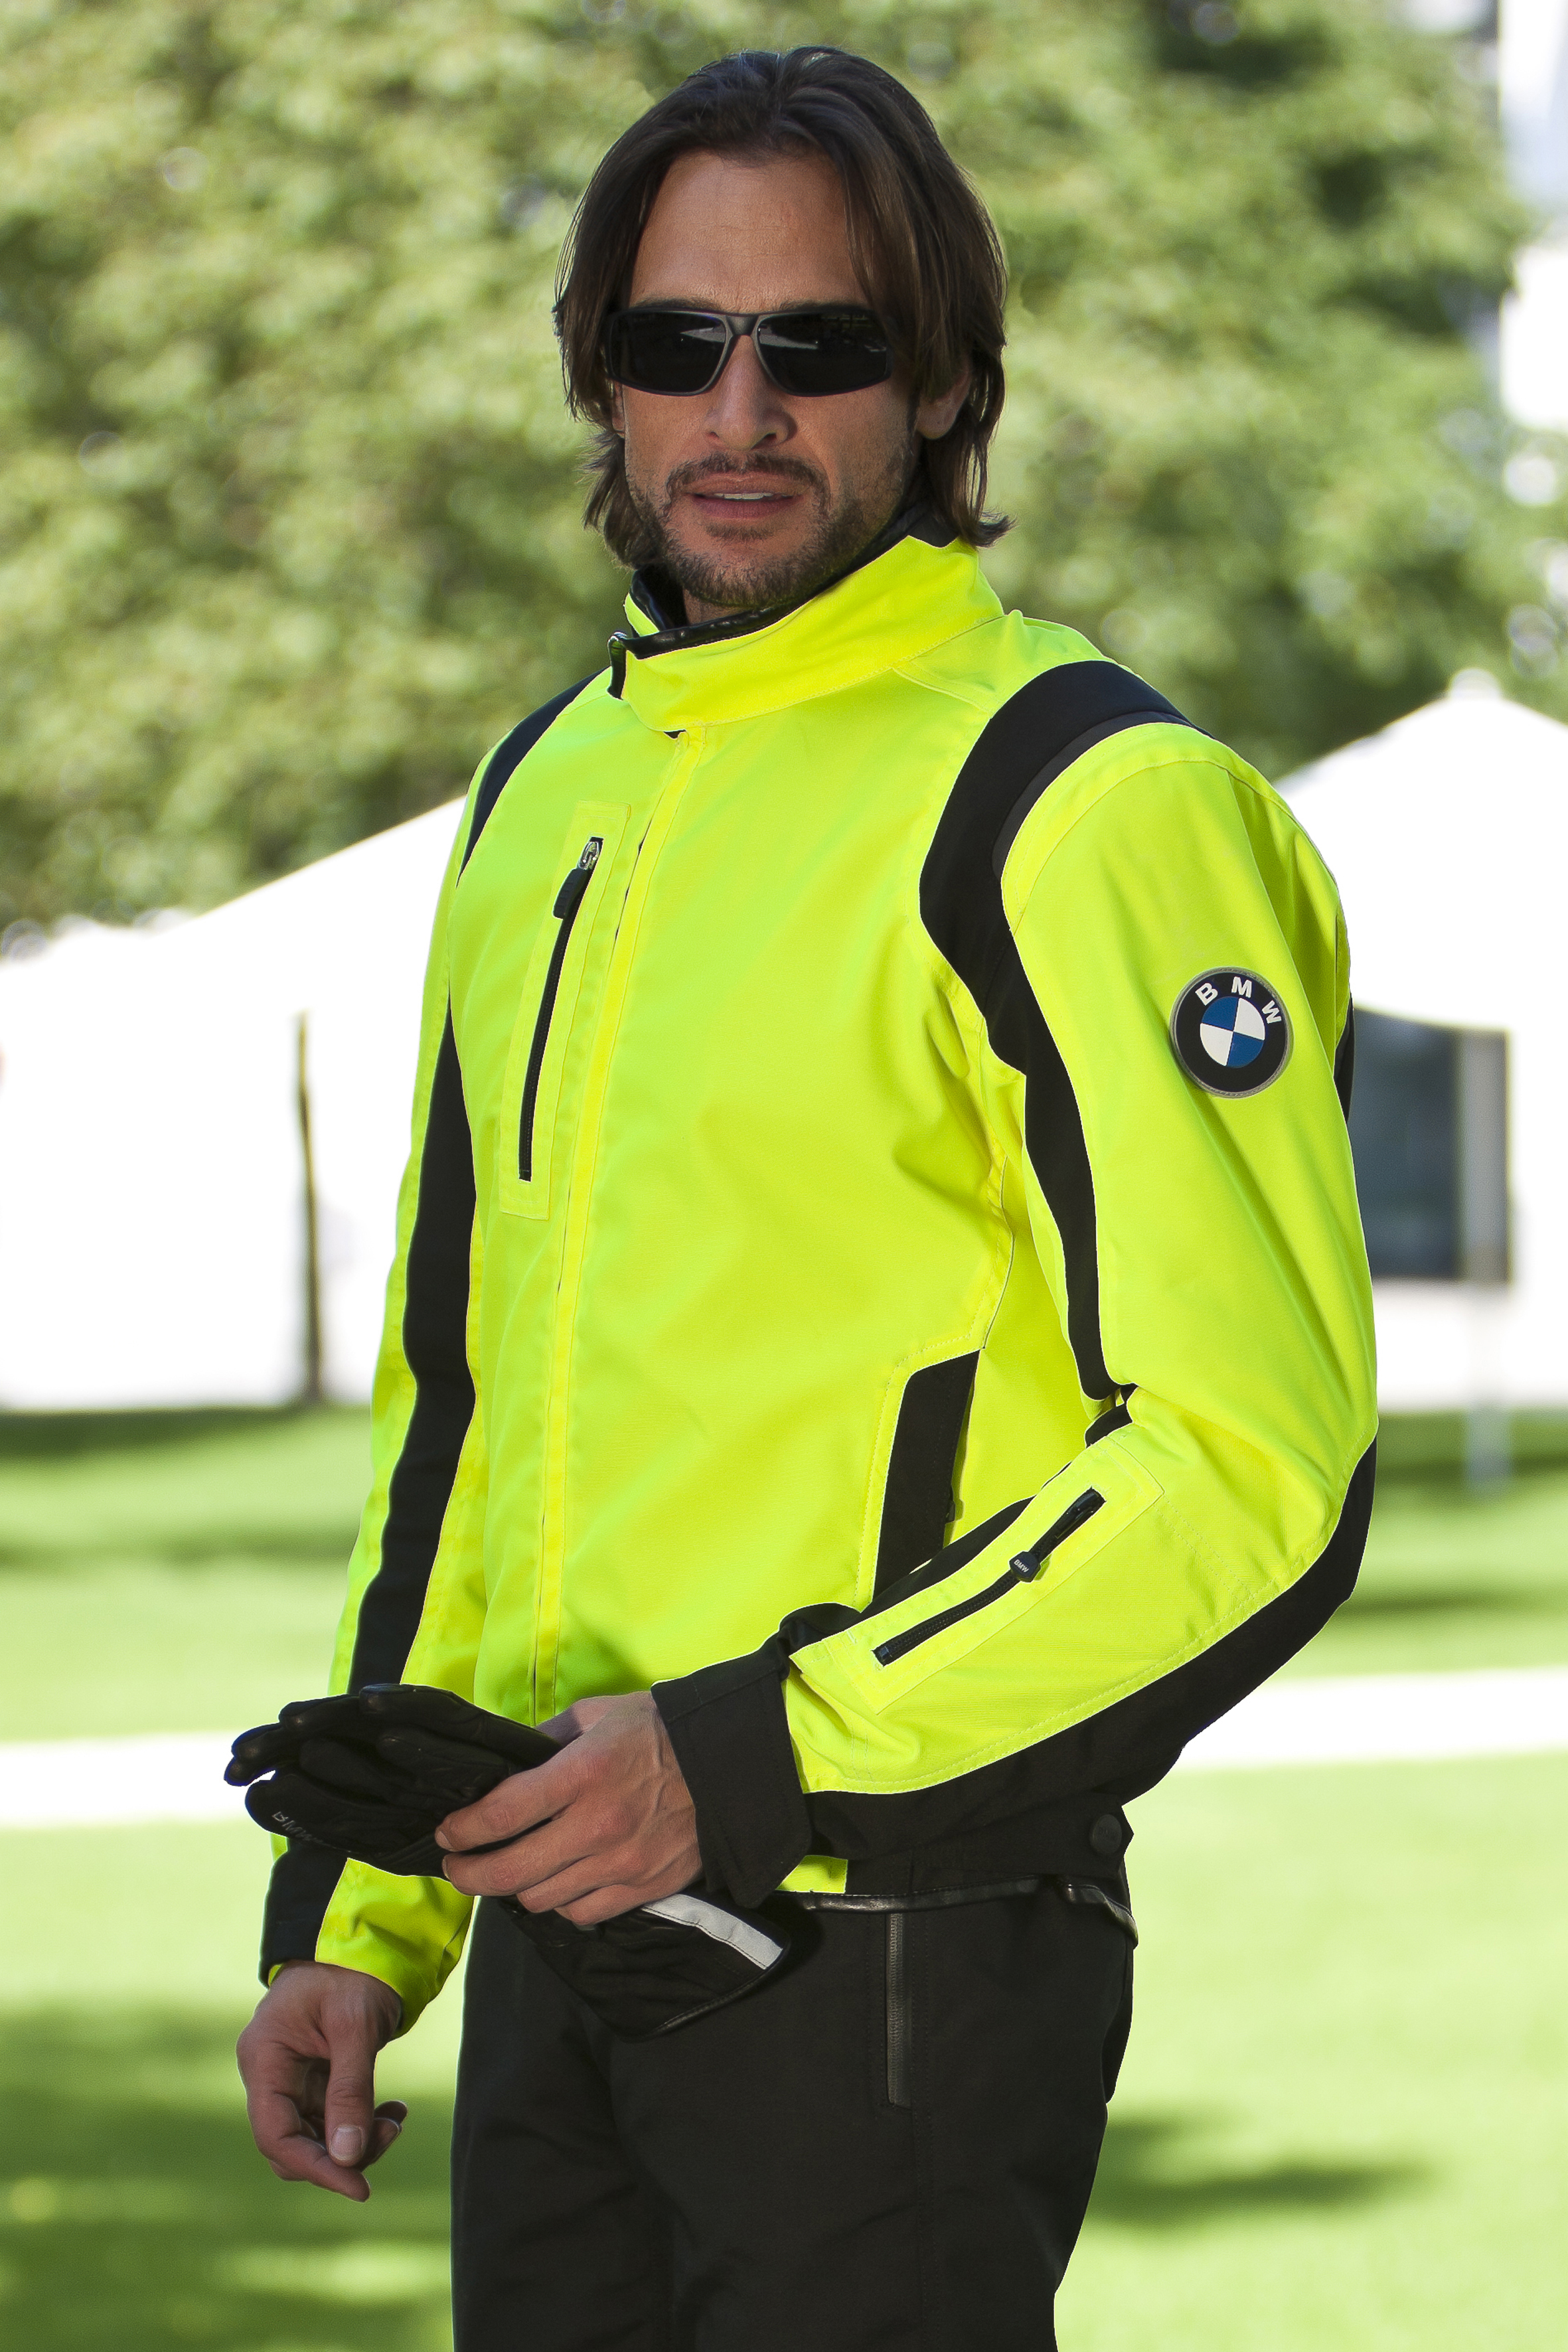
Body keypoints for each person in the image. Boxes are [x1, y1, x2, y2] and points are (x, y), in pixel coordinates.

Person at [237, 44, 1376, 2351]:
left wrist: (744, 1760)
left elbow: (1253, 1459)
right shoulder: (548, 788)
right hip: (551, 1930)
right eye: (677, 342)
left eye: (819, 343)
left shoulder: (1085, 798)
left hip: (894, 1952)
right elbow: (465, 1410)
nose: (737, 409)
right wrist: (355, 1921)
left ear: (939, 380)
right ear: (603, 375)